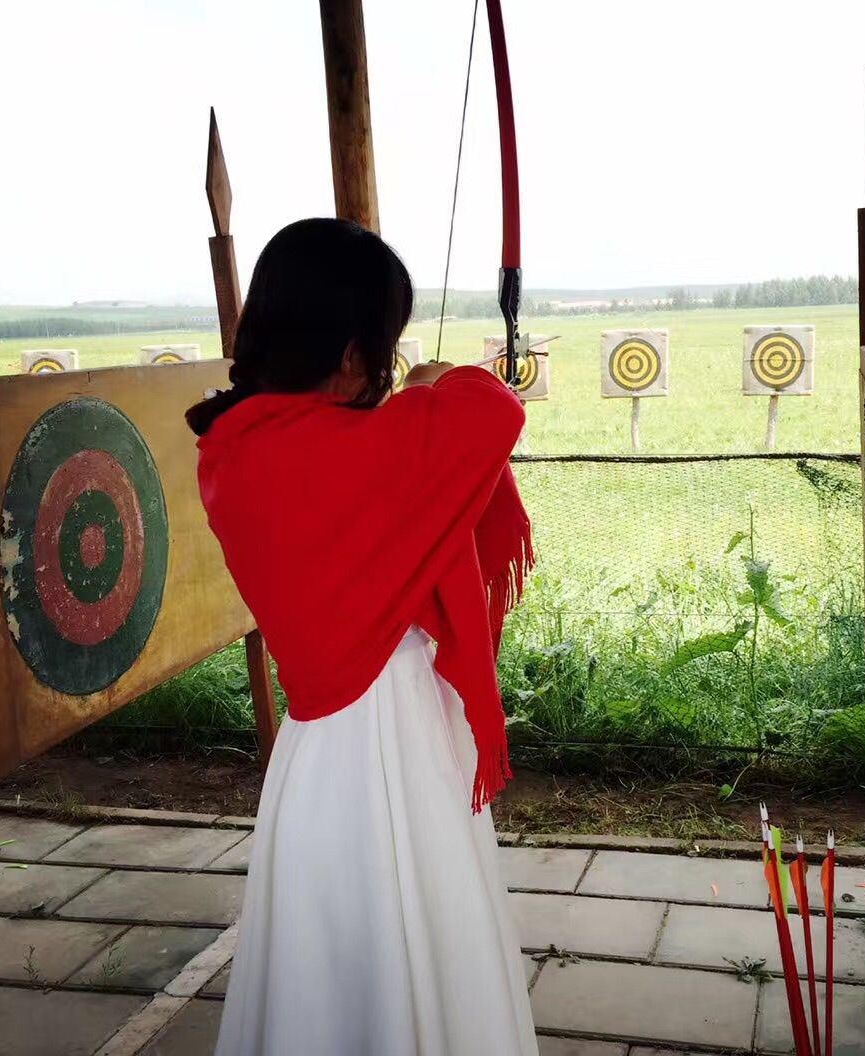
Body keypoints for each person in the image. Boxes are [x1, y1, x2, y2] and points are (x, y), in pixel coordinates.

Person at [188, 218, 538, 1055]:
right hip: (391, 738)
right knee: (420, 945)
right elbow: (487, 414)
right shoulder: (336, 450)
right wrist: (435, 380)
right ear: (348, 356)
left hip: (322, 765)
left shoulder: (239, 447)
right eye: (382, 345)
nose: (387, 366)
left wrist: (409, 395)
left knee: (331, 965)